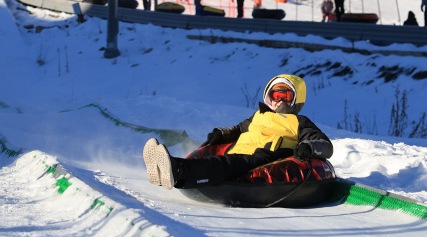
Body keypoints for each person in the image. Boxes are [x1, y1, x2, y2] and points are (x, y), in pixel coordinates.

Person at [142, 74, 333, 192]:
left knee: (227, 164)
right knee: (221, 159)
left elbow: (325, 145)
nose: (279, 101)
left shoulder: (299, 121)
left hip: (268, 155)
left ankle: (177, 170)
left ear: (296, 100)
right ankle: (165, 168)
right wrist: (221, 135)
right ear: (268, 97)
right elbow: (237, 130)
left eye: (286, 96)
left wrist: (308, 148)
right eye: (276, 95)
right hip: (241, 150)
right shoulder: (258, 115)